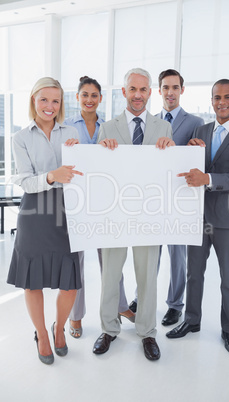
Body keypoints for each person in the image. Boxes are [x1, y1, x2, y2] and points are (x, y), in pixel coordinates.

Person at [166, 79, 229, 356]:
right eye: (217, 97)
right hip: (197, 217)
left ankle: (228, 330)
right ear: (211, 100)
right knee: (194, 274)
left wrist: (206, 177)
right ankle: (191, 321)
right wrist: (191, 152)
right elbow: (190, 168)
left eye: (227, 97)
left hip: (228, 220)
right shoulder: (202, 130)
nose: (222, 102)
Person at [93, 68, 174, 361]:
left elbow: (168, 171)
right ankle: (109, 329)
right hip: (115, 214)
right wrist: (101, 151)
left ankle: (147, 332)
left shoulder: (163, 128)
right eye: (132, 89)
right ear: (124, 92)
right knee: (111, 275)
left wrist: (172, 149)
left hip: (148, 216)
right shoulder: (108, 127)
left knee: (147, 277)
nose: (138, 95)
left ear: (150, 92)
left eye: (143, 89)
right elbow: (99, 173)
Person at [7, 77, 83, 365]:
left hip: (67, 213)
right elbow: (25, 182)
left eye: (55, 101)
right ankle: (41, 333)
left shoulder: (71, 132)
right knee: (33, 282)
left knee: (70, 284)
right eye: (44, 99)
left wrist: (82, 154)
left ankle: (59, 327)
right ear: (33, 100)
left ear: (61, 104)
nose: (49, 106)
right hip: (35, 214)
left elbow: (83, 171)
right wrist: (52, 176)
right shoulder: (20, 138)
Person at [128, 69, 204, 327]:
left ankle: (175, 305)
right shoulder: (149, 120)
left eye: (175, 87)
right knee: (148, 253)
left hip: (179, 199)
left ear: (182, 90)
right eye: (165, 87)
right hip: (152, 198)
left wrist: (198, 149)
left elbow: (199, 160)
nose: (170, 92)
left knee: (176, 255)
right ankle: (141, 297)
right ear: (158, 91)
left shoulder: (195, 122)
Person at [64, 76, 135, 339]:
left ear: (101, 98)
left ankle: (121, 307)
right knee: (77, 263)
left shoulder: (111, 127)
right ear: (77, 97)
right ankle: (76, 316)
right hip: (78, 203)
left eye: (94, 95)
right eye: (85, 95)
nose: (90, 100)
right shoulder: (67, 127)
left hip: (106, 202)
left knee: (111, 261)